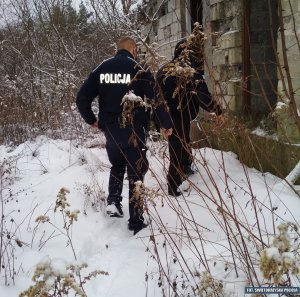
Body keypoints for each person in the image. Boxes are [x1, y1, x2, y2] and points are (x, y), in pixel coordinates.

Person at [76, 37, 173, 234]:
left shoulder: (103, 67)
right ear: (134, 50)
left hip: (110, 129)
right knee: (137, 171)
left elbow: (82, 97)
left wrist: (90, 119)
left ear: (117, 49)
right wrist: (166, 124)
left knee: (117, 164)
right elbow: (157, 99)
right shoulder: (139, 68)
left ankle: (114, 202)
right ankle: (136, 220)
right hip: (134, 129)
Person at [156, 39, 224, 197]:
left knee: (184, 140)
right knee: (176, 147)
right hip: (177, 114)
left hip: (169, 115)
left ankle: (186, 166)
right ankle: (173, 186)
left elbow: (154, 96)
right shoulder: (189, 70)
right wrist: (217, 111)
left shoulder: (163, 69)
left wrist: (157, 119)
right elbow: (203, 95)